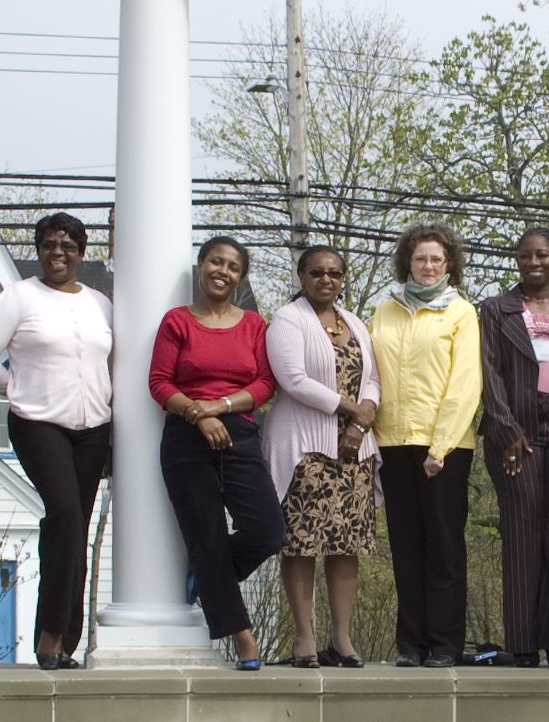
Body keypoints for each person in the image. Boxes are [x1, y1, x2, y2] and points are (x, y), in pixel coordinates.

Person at [0, 212, 114, 670]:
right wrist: (17, 389)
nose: (58, 253)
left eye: (68, 246)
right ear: (39, 250)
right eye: (50, 245)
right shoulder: (19, 296)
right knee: (65, 516)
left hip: (94, 429)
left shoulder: (100, 303)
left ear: (80, 253)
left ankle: (66, 641)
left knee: (76, 528)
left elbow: (112, 365)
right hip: (38, 424)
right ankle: (49, 635)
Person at [152, 235, 284, 670]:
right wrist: (198, 414)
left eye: (232, 266)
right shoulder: (177, 322)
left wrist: (221, 407)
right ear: (201, 265)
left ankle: (209, 577)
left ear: (240, 277)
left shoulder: (252, 326)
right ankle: (244, 639)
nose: (222, 271)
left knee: (268, 531)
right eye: (215, 262)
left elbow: (265, 384)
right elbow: (160, 383)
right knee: (206, 536)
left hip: (240, 434)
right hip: (187, 438)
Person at [261, 244, 380, 669]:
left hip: (354, 452)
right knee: (301, 544)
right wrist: (350, 408)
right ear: (301, 276)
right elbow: (292, 379)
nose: (325, 279)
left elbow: (374, 381)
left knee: (345, 545)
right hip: (306, 451)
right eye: (316, 272)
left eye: (333, 273)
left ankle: (342, 639)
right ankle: (304, 638)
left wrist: (360, 424)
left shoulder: (355, 323)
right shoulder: (287, 320)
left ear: (343, 277)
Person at [478, 229, 549, 669]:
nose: (533, 262)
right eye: (525, 256)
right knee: (523, 534)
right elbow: (489, 373)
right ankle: (524, 643)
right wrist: (506, 430)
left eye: (542, 255)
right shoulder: (496, 311)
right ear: (516, 261)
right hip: (516, 435)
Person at [372, 222, 483, 668]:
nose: (428, 266)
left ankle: (445, 644)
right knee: (405, 547)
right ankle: (411, 645)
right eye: (420, 258)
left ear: (450, 265)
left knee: (443, 548)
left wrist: (440, 448)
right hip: (392, 444)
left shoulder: (461, 313)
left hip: (445, 447)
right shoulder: (385, 311)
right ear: (407, 262)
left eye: (437, 259)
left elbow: (464, 385)